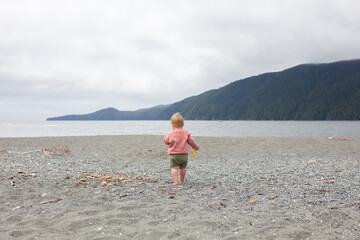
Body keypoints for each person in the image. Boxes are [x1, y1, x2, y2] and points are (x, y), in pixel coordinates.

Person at [163, 113, 199, 185]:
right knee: (182, 168)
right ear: (183, 124)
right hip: (184, 155)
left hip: (174, 155)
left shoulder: (170, 133)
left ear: (172, 124)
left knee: (174, 168)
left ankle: (176, 182)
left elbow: (165, 141)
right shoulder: (186, 133)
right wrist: (196, 147)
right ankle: (182, 180)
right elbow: (191, 141)